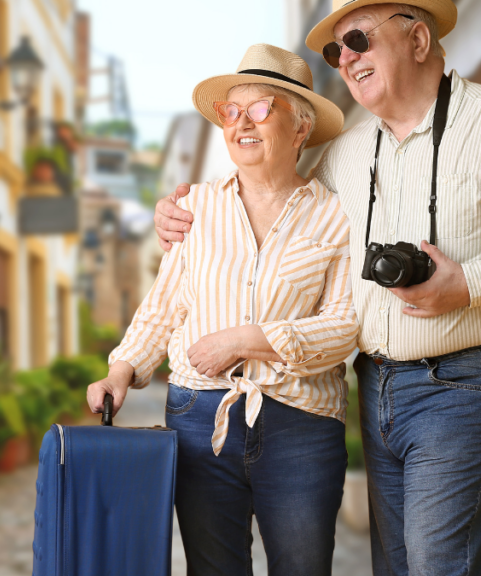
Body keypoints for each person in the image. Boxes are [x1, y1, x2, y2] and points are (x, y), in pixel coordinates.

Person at [152, 1, 481, 575]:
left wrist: (468, 284)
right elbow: (275, 209)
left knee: (439, 565)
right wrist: (180, 216)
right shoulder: (347, 152)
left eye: (359, 40)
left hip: (473, 378)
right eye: (336, 51)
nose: (347, 59)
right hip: (378, 384)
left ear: (418, 40)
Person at [86, 45, 357, 575]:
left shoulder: (336, 216)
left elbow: (345, 326)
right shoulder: (194, 207)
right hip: (198, 417)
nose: (240, 124)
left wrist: (245, 340)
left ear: (300, 128)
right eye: (231, 112)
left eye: (260, 109)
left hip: (301, 422)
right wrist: (122, 370)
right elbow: (163, 307)